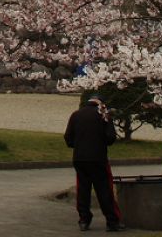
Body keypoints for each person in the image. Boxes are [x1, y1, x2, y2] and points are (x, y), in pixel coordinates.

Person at [64, 93, 126, 232]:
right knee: (104, 190)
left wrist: (78, 144)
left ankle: (84, 220)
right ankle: (112, 221)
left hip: (80, 158)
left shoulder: (76, 115)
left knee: (83, 189)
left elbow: (68, 138)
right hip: (98, 158)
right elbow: (110, 138)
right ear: (101, 103)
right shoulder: (103, 115)